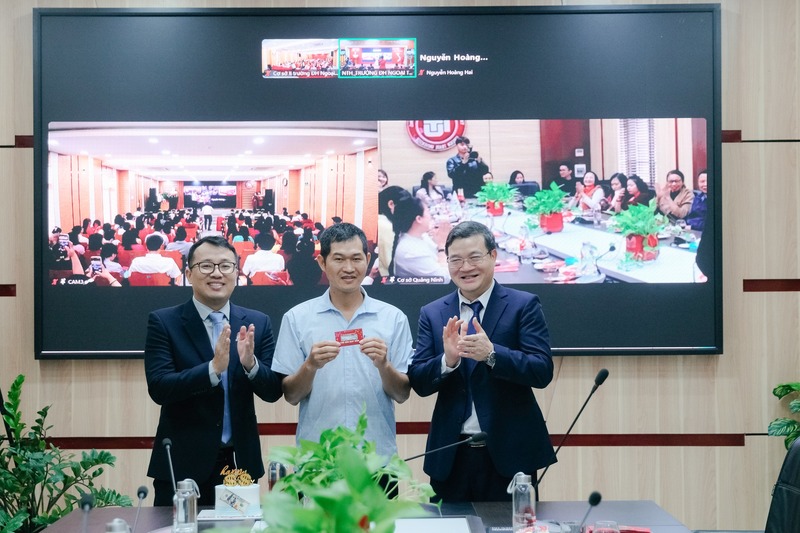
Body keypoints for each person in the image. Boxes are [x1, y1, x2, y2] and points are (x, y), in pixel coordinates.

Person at [407, 221, 555, 502]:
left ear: (493, 256)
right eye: (456, 260)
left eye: (474, 257)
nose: (465, 267)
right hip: (450, 456)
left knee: (512, 525)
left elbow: (541, 370)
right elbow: (419, 382)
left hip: (510, 455)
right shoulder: (433, 313)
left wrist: (492, 354)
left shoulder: (523, 305)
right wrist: (447, 361)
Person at [144, 236, 283, 506]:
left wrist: (251, 365)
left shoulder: (258, 322)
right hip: (182, 465)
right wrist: (211, 369)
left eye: (225, 266)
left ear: (237, 273)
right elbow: (160, 388)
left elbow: (273, 391)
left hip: (239, 464)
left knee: (239, 527)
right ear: (188, 274)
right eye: (206, 266)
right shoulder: (164, 321)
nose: (217, 273)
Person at [271, 223, 414, 460]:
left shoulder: (394, 318)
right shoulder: (296, 318)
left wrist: (384, 366)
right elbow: (291, 396)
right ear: (322, 262)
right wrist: (310, 366)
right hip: (318, 460)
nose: (349, 268)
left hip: (376, 459)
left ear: (368, 260)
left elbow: (401, 394)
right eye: (338, 259)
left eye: (356, 258)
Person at [389, 195, 450, 282]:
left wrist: (439, 239)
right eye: (428, 212)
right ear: (419, 219)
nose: (431, 217)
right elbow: (445, 279)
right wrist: (442, 245)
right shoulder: (410, 252)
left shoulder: (420, 235)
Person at [377, 186, 411, 277]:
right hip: (392, 279)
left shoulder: (384, 220)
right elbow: (393, 265)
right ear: (391, 204)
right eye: (406, 207)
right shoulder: (385, 226)